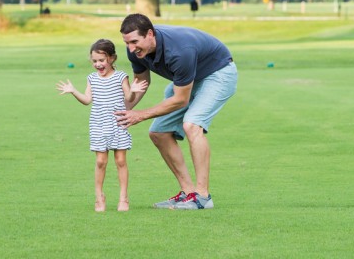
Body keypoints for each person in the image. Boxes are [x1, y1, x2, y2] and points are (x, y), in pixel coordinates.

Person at [113, 14, 237, 210]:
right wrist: (123, 111)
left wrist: (140, 115)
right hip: (191, 77)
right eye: (126, 43)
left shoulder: (179, 51)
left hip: (218, 72)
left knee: (192, 124)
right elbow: (141, 84)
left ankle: (203, 197)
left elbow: (180, 99)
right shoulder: (135, 51)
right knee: (158, 133)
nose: (131, 48)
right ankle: (189, 193)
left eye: (135, 42)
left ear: (150, 34)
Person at [57, 39, 148, 212]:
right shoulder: (91, 78)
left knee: (120, 160)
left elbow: (128, 99)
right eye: (94, 61)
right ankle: (99, 197)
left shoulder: (121, 76)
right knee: (100, 161)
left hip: (118, 123)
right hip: (98, 124)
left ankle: (123, 198)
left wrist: (134, 90)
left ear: (112, 58)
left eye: (102, 60)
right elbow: (87, 100)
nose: (98, 64)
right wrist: (73, 91)